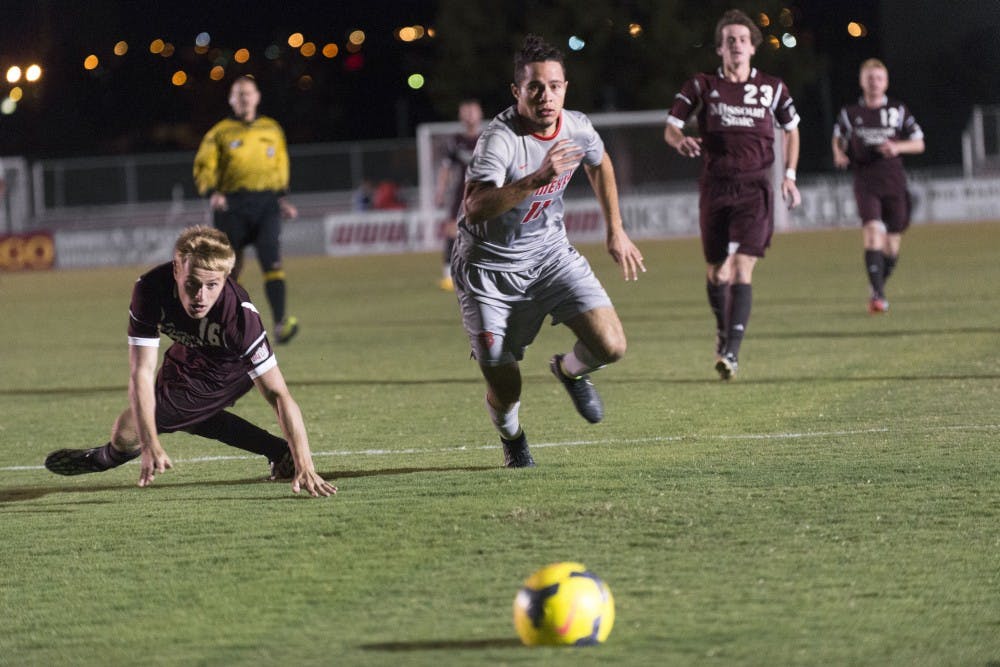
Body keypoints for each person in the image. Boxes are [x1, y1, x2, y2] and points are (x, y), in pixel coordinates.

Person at [453, 34, 645, 468]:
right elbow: (475, 206)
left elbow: (600, 162)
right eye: (535, 87)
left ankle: (570, 370)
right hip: (488, 270)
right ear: (516, 91)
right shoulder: (499, 139)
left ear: (565, 88)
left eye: (554, 86)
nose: (546, 96)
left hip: (549, 255)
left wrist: (615, 229)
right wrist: (536, 180)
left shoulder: (576, 127)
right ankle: (514, 438)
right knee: (505, 385)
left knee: (612, 345)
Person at [43, 226, 336, 497]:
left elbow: (278, 394)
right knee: (191, 417)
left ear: (227, 277)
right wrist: (151, 444)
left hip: (227, 369)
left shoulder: (239, 317)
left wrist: (305, 464)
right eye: (192, 284)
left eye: (212, 285)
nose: (200, 296)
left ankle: (104, 458)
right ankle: (276, 451)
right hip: (188, 352)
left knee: (128, 428)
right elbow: (141, 373)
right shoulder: (149, 290)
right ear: (175, 270)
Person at [664, 8, 801, 380]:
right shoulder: (701, 85)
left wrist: (788, 176)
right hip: (715, 186)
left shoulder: (772, 87)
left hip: (756, 187)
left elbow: (792, 130)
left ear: (753, 48)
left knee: (742, 267)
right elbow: (671, 127)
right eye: (729, 41)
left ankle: (731, 353)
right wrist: (680, 142)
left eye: (742, 39)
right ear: (720, 50)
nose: (736, 45)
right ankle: (723, 330)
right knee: (716, 271)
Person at [193, 75, 300, 345]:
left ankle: (280, 323)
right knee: (229, 269)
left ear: (257, 97)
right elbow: (204, 166)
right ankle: (220, 327)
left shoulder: (272, 129)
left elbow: (280, 164)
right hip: (232, 205)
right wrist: (212, 192)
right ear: (231, 100)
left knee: (272, 261)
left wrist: (282, 197)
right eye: (238, 95)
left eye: (248, 94)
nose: (244, 99)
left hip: (267, 205)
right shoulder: (220, 132)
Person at [832, 58, 925, 314]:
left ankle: (877, 286)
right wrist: (839, 154)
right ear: (862, 81)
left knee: (892, 245)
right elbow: (838, 137)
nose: (874, 82)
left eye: (879, 78)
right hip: (866, 181)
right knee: (873, 233)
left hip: (894, 182)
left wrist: (897, 147)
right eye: (869, 78)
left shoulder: (898, 110)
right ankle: (878, 297)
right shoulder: (850, 113)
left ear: (886, 82)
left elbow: (919, 143)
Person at [434, 99, 483, 291]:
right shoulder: (455, 141)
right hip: (460, 194)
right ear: (461, 116)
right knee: (451, 231)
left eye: (473, 111)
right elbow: (446, 169)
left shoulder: (487, 138)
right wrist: (440, 191)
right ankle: (448, 276)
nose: (470, 115)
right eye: (466, 112)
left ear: (479, 114)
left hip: (483, 193)